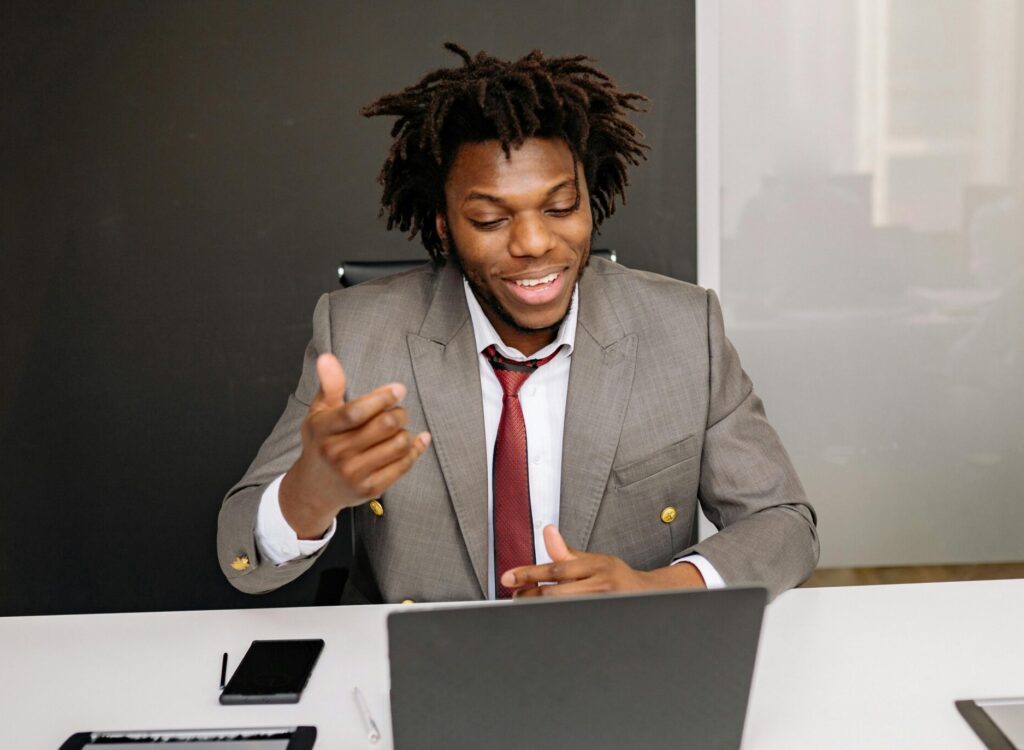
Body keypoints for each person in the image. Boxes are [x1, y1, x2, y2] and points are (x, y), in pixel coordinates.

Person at [217, 44, 818, 603]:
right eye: (488, 218)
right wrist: (307, 495)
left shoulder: (686, 328)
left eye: (561, 207)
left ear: (592, 198)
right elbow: (239, 553)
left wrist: (660, 586)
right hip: (425, 670)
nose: (535, 243)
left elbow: (784, 523)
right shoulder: (356, 334)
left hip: (621, 666)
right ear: (445, 226)